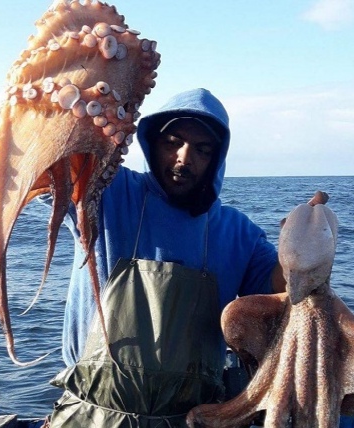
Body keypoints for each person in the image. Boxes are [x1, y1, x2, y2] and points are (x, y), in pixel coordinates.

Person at [46, 88, 286, 427]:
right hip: (91, 415)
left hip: (188, 420)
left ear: (216, 159)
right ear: (152, 143)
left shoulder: (238, 233)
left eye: (202, 149)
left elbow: (281, 291)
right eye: (173, 143)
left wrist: (304, 244)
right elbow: (49, 154)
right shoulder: (105, 191)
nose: (184, 158)